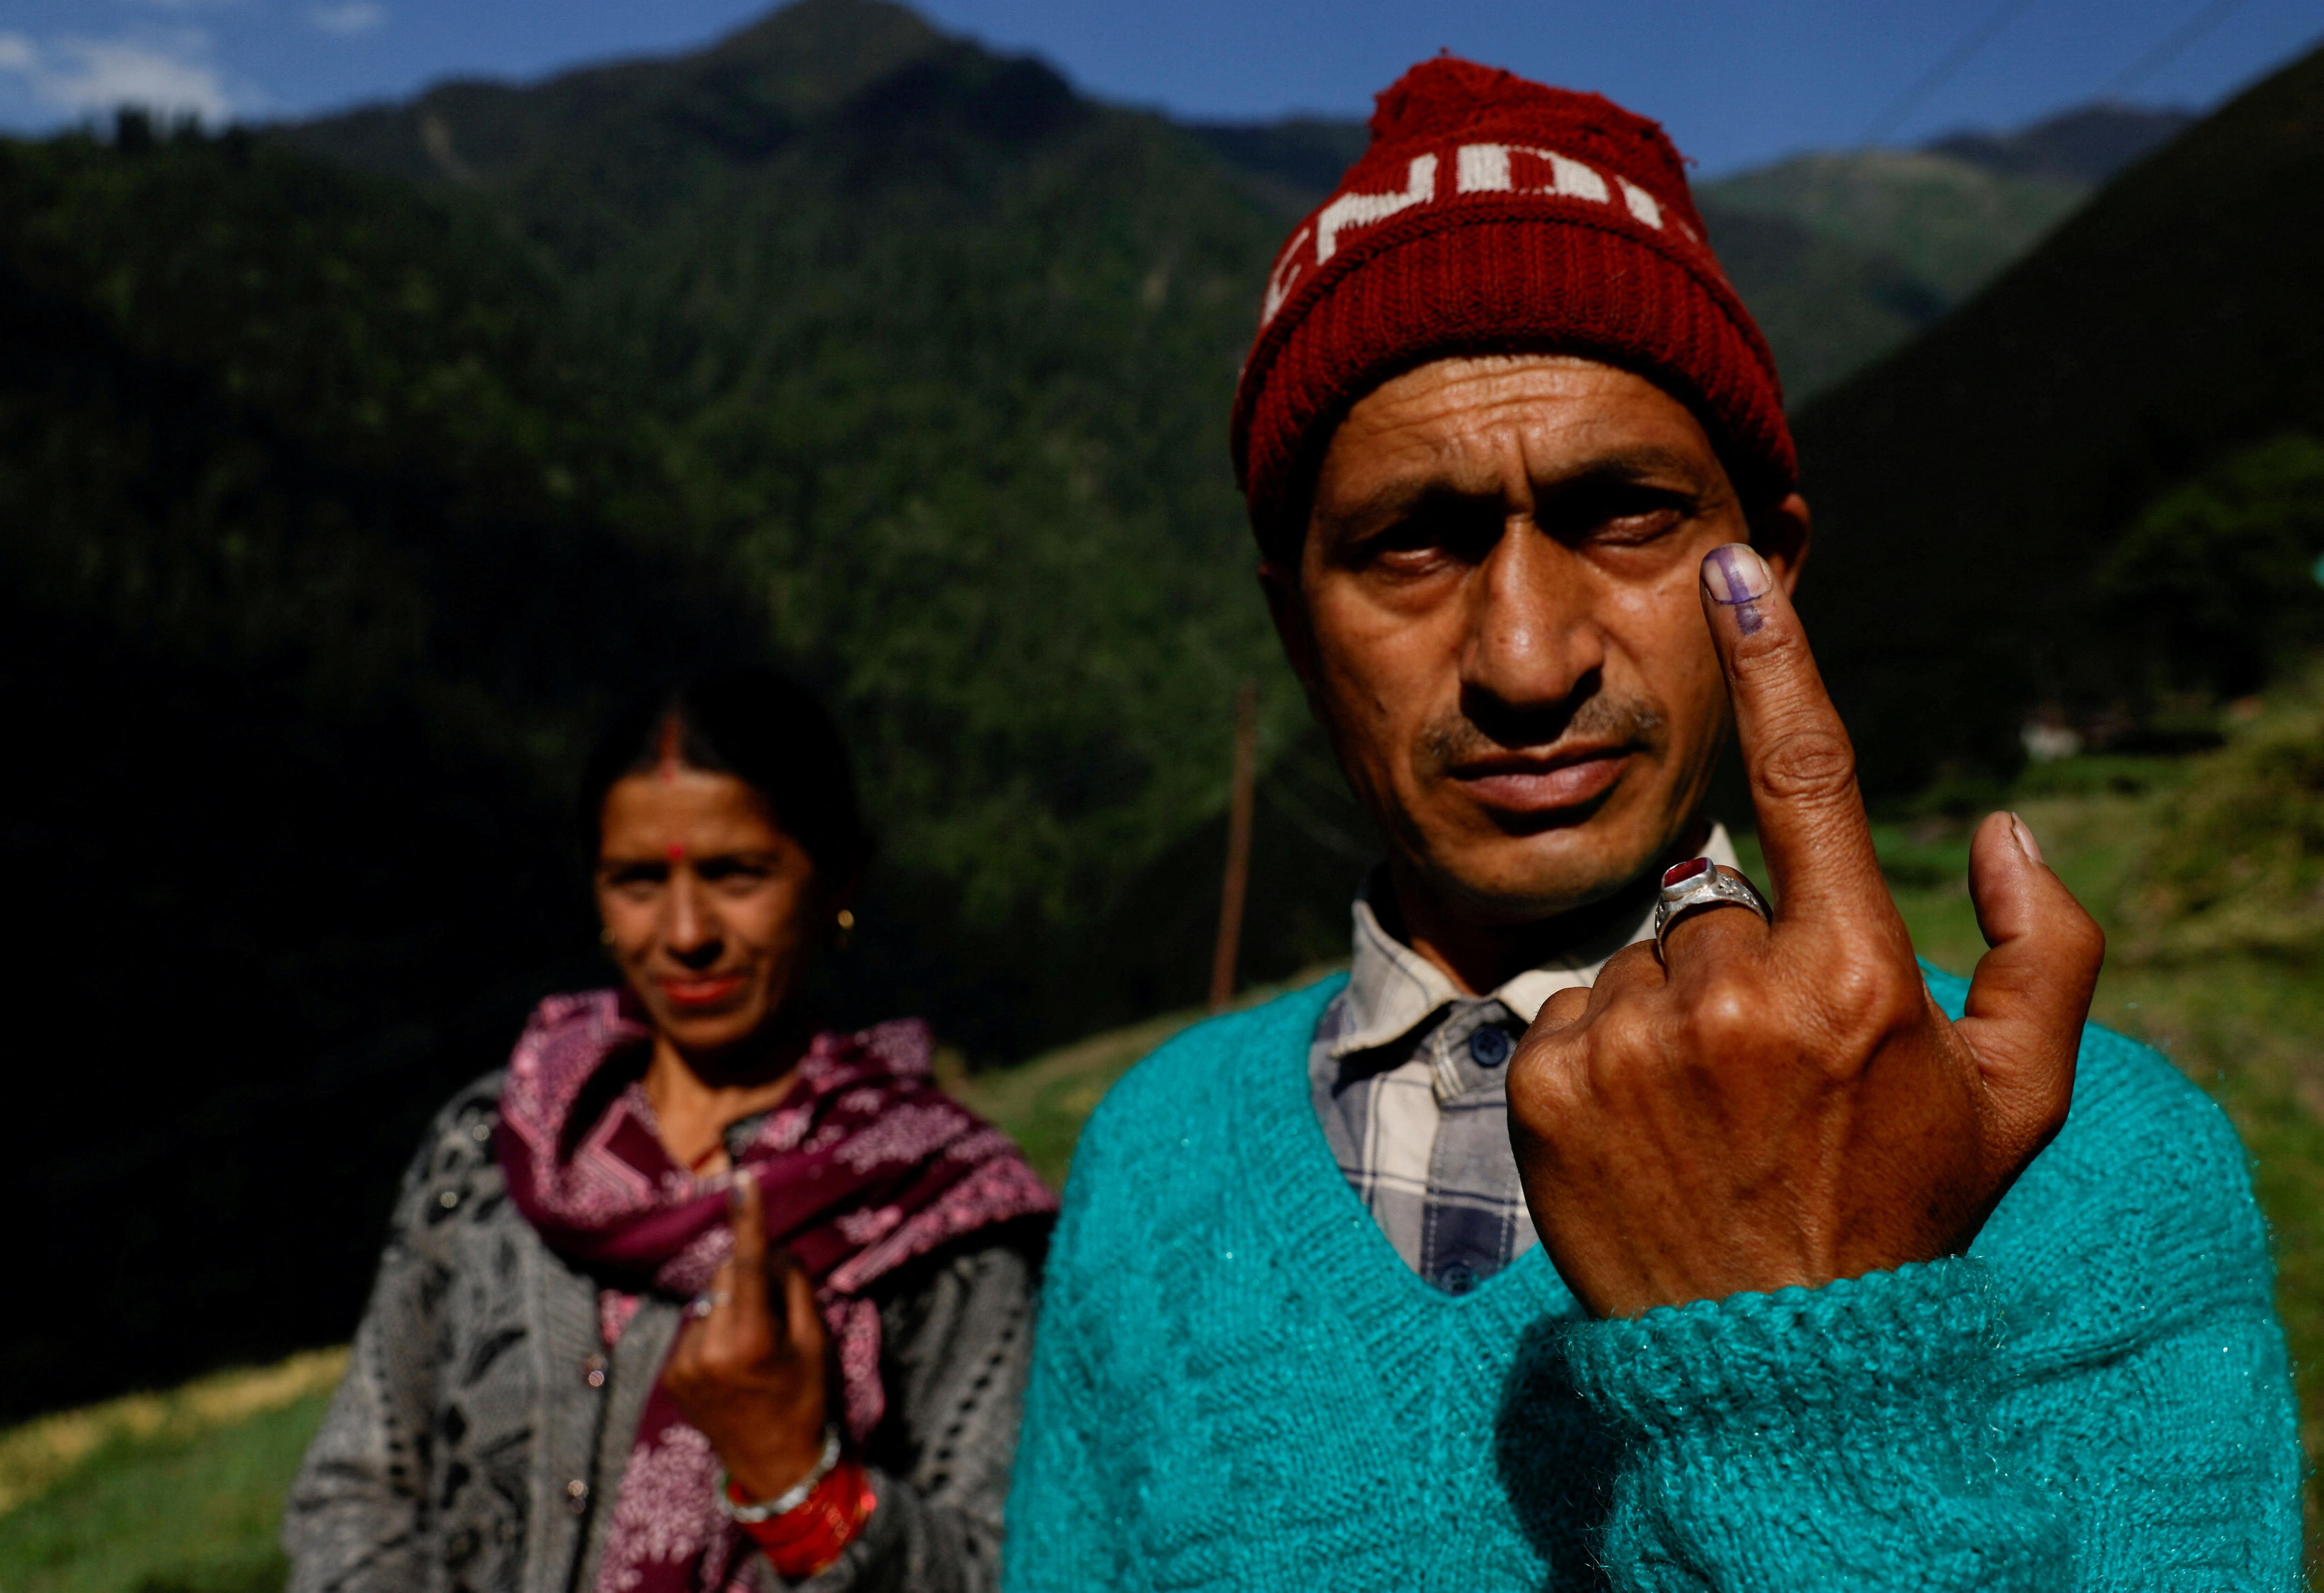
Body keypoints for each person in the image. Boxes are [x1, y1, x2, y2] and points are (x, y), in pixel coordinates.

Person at [1004, 58, 2301, 1589]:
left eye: (1624, 513)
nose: (1527, 658)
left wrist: (1801, 1359)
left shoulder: (2093, 1163)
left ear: (1773, 564)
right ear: (1296, 627)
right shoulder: (1155, 1162)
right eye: (1412, 545)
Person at [286, 670, 1056, 1593]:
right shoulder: (495, 1148)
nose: (686, 932)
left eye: (738, 874)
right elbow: (360, 1486)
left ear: (839, 878)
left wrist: (795, 1481)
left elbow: (1005, 1568)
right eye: (639, 881)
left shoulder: (938, 1213)